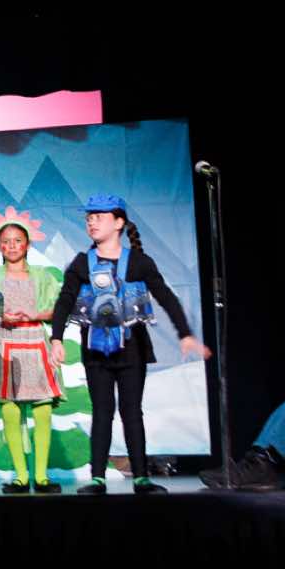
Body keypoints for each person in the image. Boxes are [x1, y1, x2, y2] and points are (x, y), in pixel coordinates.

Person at [49, 194, 208, 494]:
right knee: (102, 411)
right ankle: (97, 477)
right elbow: (65, 300)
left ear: (119, 222)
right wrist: (56, 337)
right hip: (95, 348)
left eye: (99, 216)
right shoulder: (82, 263)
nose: (91, 222)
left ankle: (141, 477)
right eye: (89, 218)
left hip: (132, 347)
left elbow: (165, 296)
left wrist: (185, 333)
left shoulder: (138, 262)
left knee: (132, 411)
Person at [0, 218, 64, 494]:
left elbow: (58, 309)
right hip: (5, 343)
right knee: (9, 407)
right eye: (6, 242)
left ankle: (42, 476)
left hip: (35, 340)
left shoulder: (42, 275)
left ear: (27, 244)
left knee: (42, 407)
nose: (12, 246)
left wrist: (34, 314)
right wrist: (1, 316)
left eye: (17, 241)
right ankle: (21, 477)